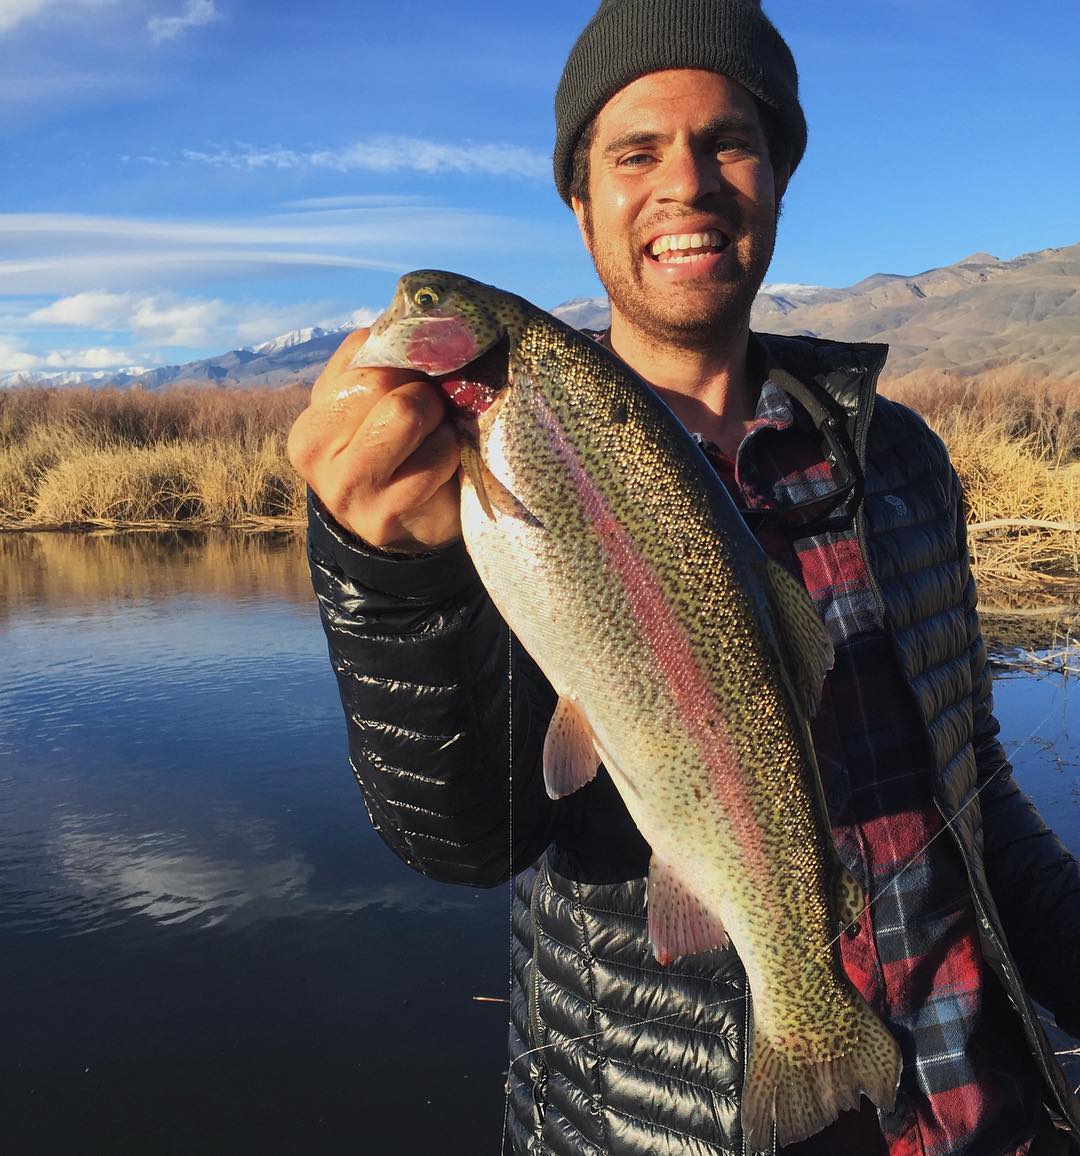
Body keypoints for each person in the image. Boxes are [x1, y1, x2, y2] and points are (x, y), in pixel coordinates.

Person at [287, 0, 1080, 1151]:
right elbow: (465, 840)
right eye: (635, 152)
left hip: (983, 1109)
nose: (688, 183)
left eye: (729, 141)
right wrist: (392, 583)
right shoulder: (470, 475)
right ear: (581, 201)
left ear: (777, 176)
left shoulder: (899, 455)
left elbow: (975, 791)